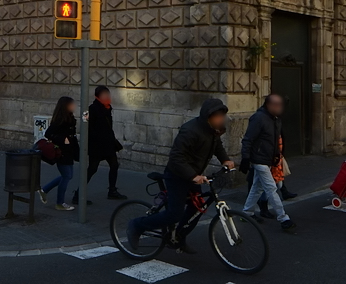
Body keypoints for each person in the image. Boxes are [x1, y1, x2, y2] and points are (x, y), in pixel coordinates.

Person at [126, 97, 236, 252]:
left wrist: (225, 160)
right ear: (208, 116)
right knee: (174, 214)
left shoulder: (213, 131)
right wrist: (193, 176)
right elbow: (177, 157)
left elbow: (217, 146)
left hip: (193, 176)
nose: (220, 119)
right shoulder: (190, 130)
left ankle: (179, 236)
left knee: (197, 208)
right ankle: (137, 225)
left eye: (221, 116)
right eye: (218, 116)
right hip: (177, 176)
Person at [239, 94, 295, 232]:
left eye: (280, 105)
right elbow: (248, 139)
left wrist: (276, 156)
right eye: (276, 105)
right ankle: (284, 218)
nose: (279, 108)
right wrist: (245, 158)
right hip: (259, 159)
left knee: (257, 187)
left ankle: (247, 213)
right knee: (271, 188)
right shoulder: (259, 118)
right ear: (268, 105)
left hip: (267, 159)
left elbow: (275, 140)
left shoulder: (275, 119)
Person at [73, 85, 127, 203]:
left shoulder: (107, 108)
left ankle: (112, 190)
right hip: (97, 146)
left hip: (108, 144)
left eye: (108, 94)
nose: (107, 97)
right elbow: (85, 126)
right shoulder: (90, 109)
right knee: (92, 169)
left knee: (114, 165)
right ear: (98, 96)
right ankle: (78, 194)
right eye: (104, 95)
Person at [38, 95, 78, 210]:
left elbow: (73, 137)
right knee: (67, 176)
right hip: (61, 152)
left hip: (69, 151)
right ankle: (60, 203)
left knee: (67, 176)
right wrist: (62, 139)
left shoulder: (70, 118)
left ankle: (44, 190)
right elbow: (48, 134)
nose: (73, 106)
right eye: (71, 104)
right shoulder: (60, 120)